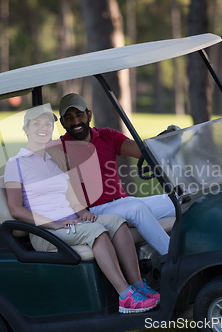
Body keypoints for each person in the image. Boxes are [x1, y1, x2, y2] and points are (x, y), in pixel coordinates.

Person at [4, 104, 160, 314]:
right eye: (36, 124)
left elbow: (70, 196)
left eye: (48, 124)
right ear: (26, 129)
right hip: (45, 232)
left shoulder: (54, 160)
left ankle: (138, 285)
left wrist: (82, 213)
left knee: (116, 221)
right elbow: (15, 209)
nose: (43, 127)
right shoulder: (15, 163)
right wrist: (55, 223)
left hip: (71, 224)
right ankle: (125, 296)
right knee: (97, 232)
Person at [47, 93, 175, 256]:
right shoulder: (57, 149)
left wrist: (166, 141)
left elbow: (141, 152)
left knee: (179, 199)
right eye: (69, 117)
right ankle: (174, 257)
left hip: (123, 202)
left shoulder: (107, 135)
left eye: (79, 115)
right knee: (137, 209)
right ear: (63, 122)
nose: (76, 122)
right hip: (96, 210)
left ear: (89, 115)